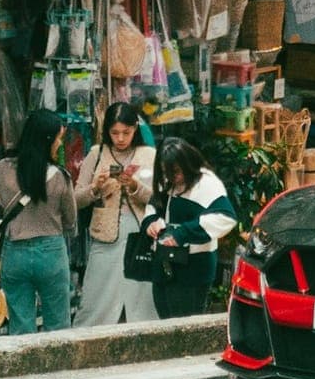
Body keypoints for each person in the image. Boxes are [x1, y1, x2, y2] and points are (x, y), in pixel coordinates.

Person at [0, 109, 76, 335]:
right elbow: (70, 221)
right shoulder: (60, 177)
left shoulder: (2, 170)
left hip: (15, 253)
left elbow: (1, 203)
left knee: (20, 326)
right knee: (58, 325)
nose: (59, 144)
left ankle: (25, 370)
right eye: (58, 138)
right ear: (47, 140)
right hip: (51, 253)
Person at [74, 104, 158, 326]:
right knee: (97, 293)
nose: (120, 139)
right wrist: (95, 188)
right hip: (105, 232)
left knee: (141, 293)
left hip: (140, 233)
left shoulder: (149, 155)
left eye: (126, 132)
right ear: (106, 132)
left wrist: (134, 186)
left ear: (135, 129)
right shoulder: (97, 153)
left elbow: (160, 199)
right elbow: (77, 199)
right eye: (114, 133)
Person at [141, 138, 236, 319]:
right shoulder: (168, 180)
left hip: (193, 270)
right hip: (164, 265)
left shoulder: (206, 183)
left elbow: (226, 217)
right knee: (165, 322)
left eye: (175, 171)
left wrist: (182, 234)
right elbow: (155, 206)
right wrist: (150, 223)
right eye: (166, 172)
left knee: (184, 326)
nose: (171, 177)